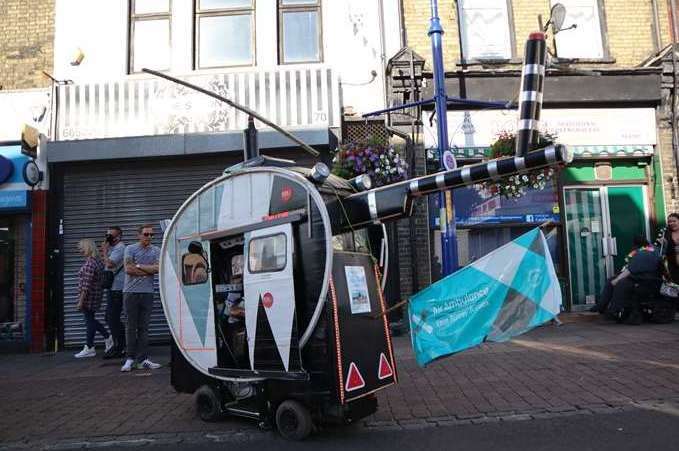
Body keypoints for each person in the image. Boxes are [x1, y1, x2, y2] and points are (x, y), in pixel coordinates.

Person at [592, 236, 662, 324]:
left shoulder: (642, 254)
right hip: (645, 278)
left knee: (620, 283)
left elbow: (630, 270)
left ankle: (612, 309)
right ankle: (602, 305)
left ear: (636, 245)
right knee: (612, 280)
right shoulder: (653, 249)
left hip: (643, 280)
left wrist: (617, 279)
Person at [121, 224, 161, 372]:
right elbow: (128, 269)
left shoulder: (156, 250)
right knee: (131, 327)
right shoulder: (130, 249)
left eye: (151, 235)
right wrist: (147, 270)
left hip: (148, 293)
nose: (149, 237)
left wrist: (138, 266)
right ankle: (129, 359)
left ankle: (143, 359)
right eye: (146, 234)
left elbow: (158, 268)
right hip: (131, 293)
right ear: (138, 235)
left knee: (144, 327)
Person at [74, 239, 113, 358]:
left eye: (82, 248)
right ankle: (90, 346)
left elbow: (86, 284)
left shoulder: (90, 263)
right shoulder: (97, 262)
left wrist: (80, 301)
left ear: (88, 248)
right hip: (95, 295)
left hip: (89, 297)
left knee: (90, 321)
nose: (80, 251)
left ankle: (103, 339)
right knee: (90, 320)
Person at [101, 226, 126, 358]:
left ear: (118, 237)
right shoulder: (114, 248)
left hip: (118, 288)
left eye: (110, 236)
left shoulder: (120, 248)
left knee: (112, 318)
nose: (107, 238)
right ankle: (122, 343)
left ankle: (120, 346)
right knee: (110, 318)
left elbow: (110, 264)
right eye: (107, 235)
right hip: (113, 287)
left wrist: (104, 251)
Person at [661, 213, 679, 284]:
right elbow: (664, 252)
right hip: (672, 267)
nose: (671, 223)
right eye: (669, 222)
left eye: (674, 221)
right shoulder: (666, 234)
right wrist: (664, 244)